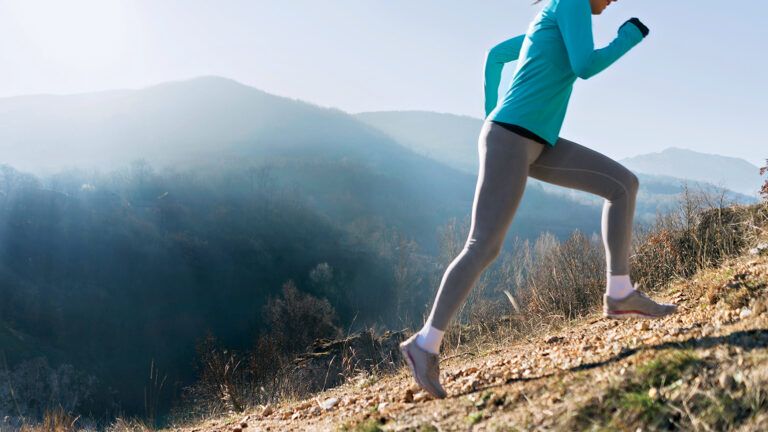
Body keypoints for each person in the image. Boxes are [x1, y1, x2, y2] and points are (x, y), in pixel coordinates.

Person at [400, 0, 677, 399]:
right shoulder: (572, 2)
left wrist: (489, 113)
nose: (614, 0)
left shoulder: (554, 14)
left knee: (622, 185)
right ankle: (423, 345)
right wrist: (627, 39)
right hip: (512, 137)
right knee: (483, 246)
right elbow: (585, 66)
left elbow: (495, 57)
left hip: (535, 139)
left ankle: (620, 293)